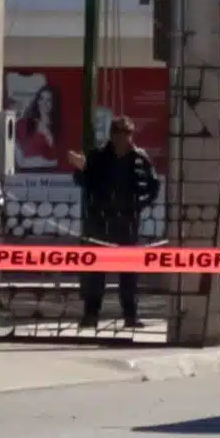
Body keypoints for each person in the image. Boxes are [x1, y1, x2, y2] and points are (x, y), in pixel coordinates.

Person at [64, 114, 161, 323]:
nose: (124, 138)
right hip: (101, 222)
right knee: (95, 271)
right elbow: (84, 181)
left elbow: (153, 185)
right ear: (112, 135)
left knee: (128, 273)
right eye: (119, 133)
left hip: (127, 222)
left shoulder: (139, 157)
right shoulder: (98, 156)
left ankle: (130, 314)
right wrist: (80, 168)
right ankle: (91, 313)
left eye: (128, 133)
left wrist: (139, 205)